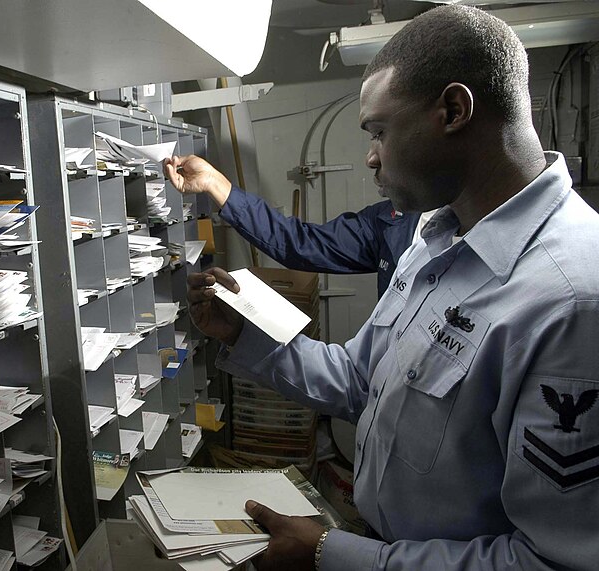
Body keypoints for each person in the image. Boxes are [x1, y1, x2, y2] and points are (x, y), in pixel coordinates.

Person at [166, 5, 599, 571]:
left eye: (378, 130)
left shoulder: (572, 300)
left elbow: (551, 562)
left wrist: (333, 554)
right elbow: (358, 379)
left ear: (453, 110)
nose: (370, 155)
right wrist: (246, 336)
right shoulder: (433, 238)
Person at [169, 157, 421, 296]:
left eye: (380, 133)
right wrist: (215, 183)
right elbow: (300, 243)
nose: (371, 158)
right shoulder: (391, 219)